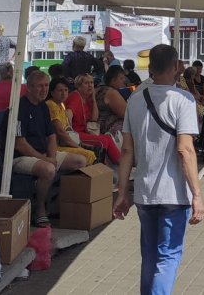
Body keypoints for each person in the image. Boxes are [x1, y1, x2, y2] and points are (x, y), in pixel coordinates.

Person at [114, 43, 204, 295]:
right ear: (176, 67)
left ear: (150, 68)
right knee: (168, 257)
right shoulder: (183, 100)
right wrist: (197, 194)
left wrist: (122, 192)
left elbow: (126, 151)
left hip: (144, 192)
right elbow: (185, 150)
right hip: (174, 193)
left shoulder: (134, 99)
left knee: (150, 257)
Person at [9, 71, 87, 228]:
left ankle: (56, 203)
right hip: (19, 157)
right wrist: (45, 159)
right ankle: (40, 209)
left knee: (80, 161)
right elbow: (20, 144)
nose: (44, 90)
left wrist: (51, 155)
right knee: (49, 169)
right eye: (40, 86)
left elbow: (51, 136)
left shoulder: (43, 107)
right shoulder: (19, 108)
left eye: (46, 85)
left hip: (43, 155)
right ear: (29, 87)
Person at [66, 73, 121, 164]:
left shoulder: (86, 98)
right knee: (102, 141)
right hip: (76, 133)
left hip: (84, 131)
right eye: (86, 83)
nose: (90, 85)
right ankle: (101, 169)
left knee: (107, 138)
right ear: (79, 86)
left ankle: (122, 163)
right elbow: (68, 114)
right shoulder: (75, 97)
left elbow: (94, 119)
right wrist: (69, 131)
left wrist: (94, 99)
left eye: (91, 82)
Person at [46, 79, 98, 165]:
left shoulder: (61, 105)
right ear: (52, 92)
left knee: (94, 149)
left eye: (66, 90)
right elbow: (60, 131)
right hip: (56, 146)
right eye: (60, 90)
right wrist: (77, 146)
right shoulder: (51, 104)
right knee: (89, 154)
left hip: (66, 142)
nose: (64, 93)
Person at [96, 67, 129, 141]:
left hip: (98, 125)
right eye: (121, 78)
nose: (124, 81)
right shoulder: (110, 92)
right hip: (107, 128)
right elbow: (126, 114)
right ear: (113, 80)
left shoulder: (98, 88)